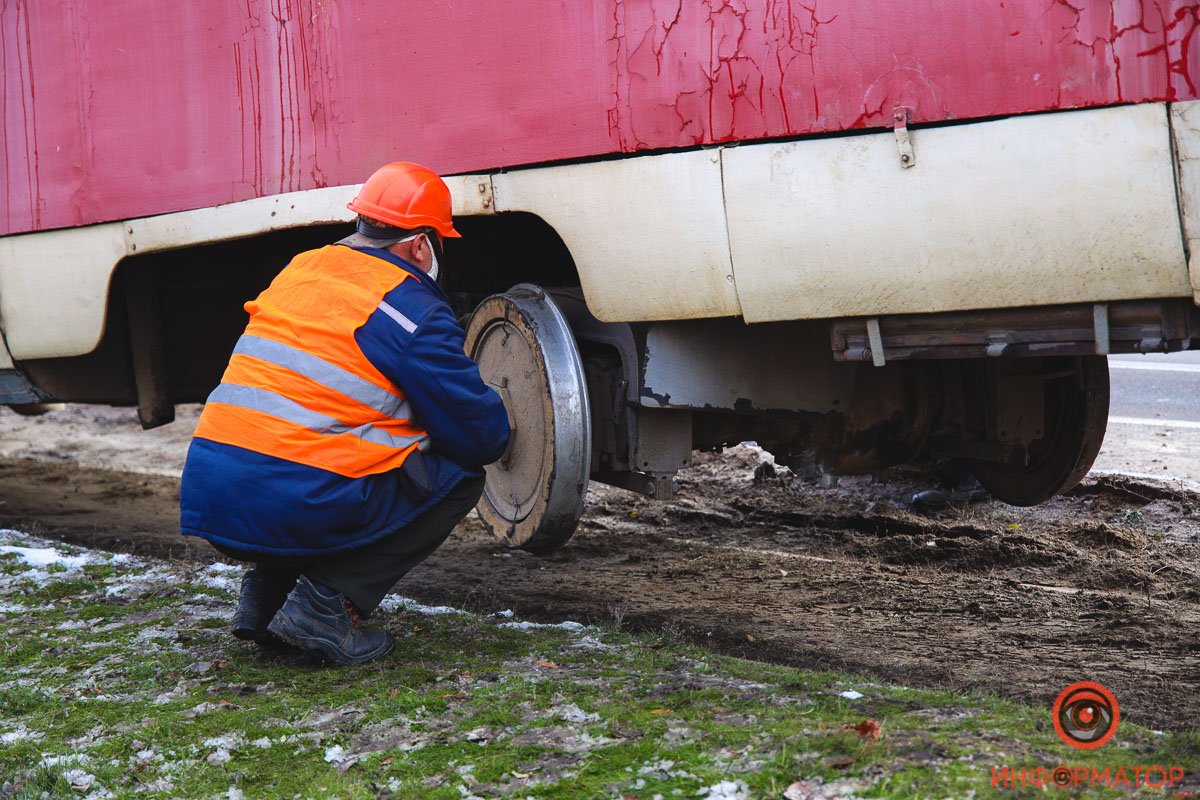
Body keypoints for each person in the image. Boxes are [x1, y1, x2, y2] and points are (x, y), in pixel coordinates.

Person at [179, 162, 510, 665]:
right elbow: (480, 436)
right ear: (422, 245)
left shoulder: (303, 267)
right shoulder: (410, 307)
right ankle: (324, 608)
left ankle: (265, 597)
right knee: (458, 475)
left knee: (317, 448)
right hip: (289, 503)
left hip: (213, 492)